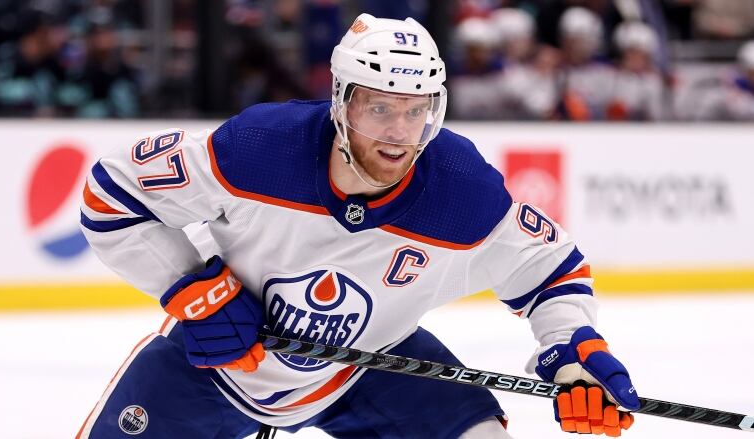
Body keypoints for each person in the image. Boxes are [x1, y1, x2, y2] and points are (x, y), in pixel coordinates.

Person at [77, 13, 639, 439]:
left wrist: (573, 351)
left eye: (415, 110)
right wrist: (194, 290)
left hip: (371, 365)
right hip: (219, 358)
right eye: (380, 108)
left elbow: (552, 269)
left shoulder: (460, 190)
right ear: (341, 103)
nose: (399, 132)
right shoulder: (259, 149)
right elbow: (111, 194)